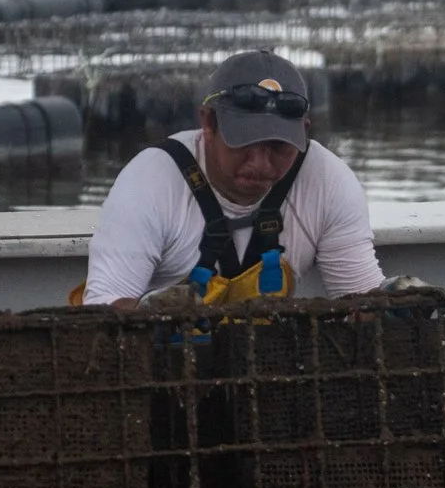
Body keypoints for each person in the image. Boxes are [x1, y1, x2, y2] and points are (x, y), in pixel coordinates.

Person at [82, 51, 388, 308]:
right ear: (208, 123)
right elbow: (103, 306)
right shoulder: (150, 180)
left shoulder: (328, 181)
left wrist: (392, 304)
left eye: (279, 146)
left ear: (304, 130)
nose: (260, 164)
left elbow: (361, 302)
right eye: (244, 142)